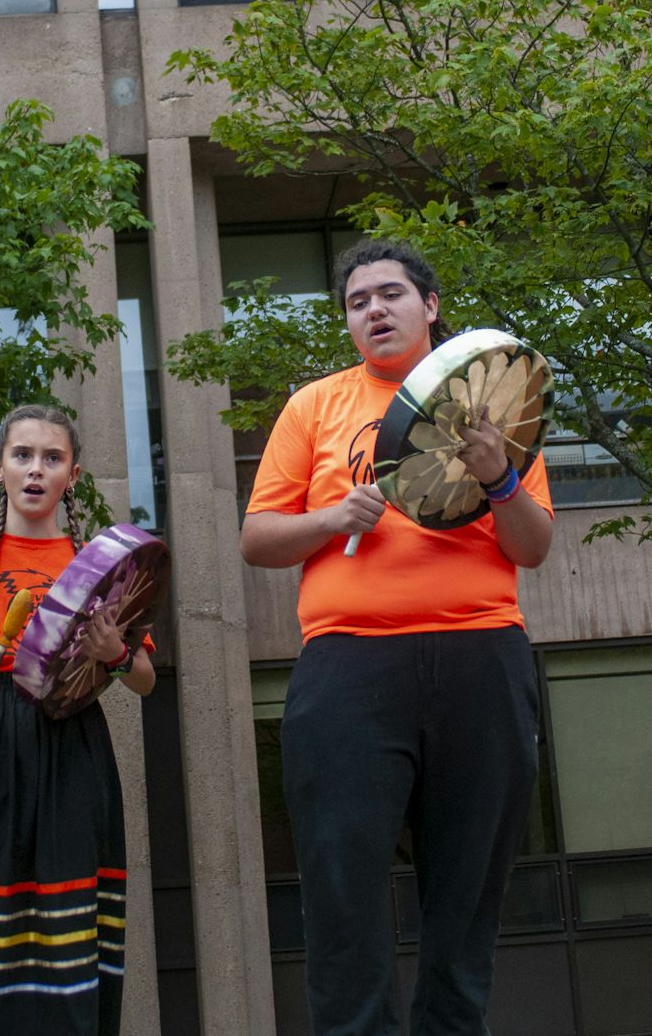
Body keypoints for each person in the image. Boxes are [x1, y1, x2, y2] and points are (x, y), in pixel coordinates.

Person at [241, 238, 554, 1036]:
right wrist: (331, 517)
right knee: (342, 887)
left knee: (467, 890)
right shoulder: (314, 405)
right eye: (357, 301)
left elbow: (533, 546)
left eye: (390, 294)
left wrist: (497, 475)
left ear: (431, 305)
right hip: (348, 665)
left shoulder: (497, 399)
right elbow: (258, 538)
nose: (374, 310)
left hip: (482, 655)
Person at [0, 404, 155, 1036]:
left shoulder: (103, 563)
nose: (35, 470)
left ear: (73, 473)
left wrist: (115, 654)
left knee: (66, 922)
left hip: (72, 746)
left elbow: (147, 680)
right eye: (22, 456)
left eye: (52, 458)